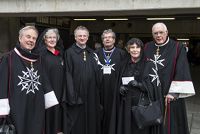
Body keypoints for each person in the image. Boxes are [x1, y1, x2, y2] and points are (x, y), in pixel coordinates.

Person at [0, 26, 58, 134]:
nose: (31, 40)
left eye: (34, 38)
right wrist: (3, 112)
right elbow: (2, 85)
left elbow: (45, 81)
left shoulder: (38, 59)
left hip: (37, 108)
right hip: (17, 109)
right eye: (28, 37)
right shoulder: (8, 58)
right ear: (20, 38)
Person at [144, 22, 195, 134]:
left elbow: (182, 69)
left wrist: (174, 93)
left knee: (170, 127)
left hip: (169, 95)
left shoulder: (177, 47)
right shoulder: (147, 47)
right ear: (152, 35)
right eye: (155, 33)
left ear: (167, 33)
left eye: (161, 32)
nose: (158, 35)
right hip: (152, 95)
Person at [116, 38, 163, 134]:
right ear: (128, 50)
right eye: (132, 47)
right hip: (127, 103)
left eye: (137, 47)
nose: (135, 50)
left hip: (142, 105)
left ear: (141, 49)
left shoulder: (149, 65)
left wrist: (140, 85)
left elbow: (154, 87)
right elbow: (118, 81)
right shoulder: (123, 64)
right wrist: (120, 88)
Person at [62, 26, 101, 134]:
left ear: (88, 37)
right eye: (80, 35)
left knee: (91, 121)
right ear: (75, 37)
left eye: (84, 36)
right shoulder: (69, 53)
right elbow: (67, 74)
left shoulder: (93, 53)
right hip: (76, 95)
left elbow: (97, 74)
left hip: (91, 94)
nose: (82, 38)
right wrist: (72, 95)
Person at [94, 29, 126, 134]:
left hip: (115, 91)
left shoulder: (122, 54)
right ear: (102, 40)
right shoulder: (95, 54)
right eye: (105, 38)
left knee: (113, 116)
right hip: (99, 91)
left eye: (110, 37)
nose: (107, 39)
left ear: (114, 40)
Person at [37, 28, 65, 134]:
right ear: (45, 39)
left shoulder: (60, 53)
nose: (52, 40)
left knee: (57, 111)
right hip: (46, 89)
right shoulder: (40, 53)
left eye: (54, 37)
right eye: (49, 37)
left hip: (59, 88)